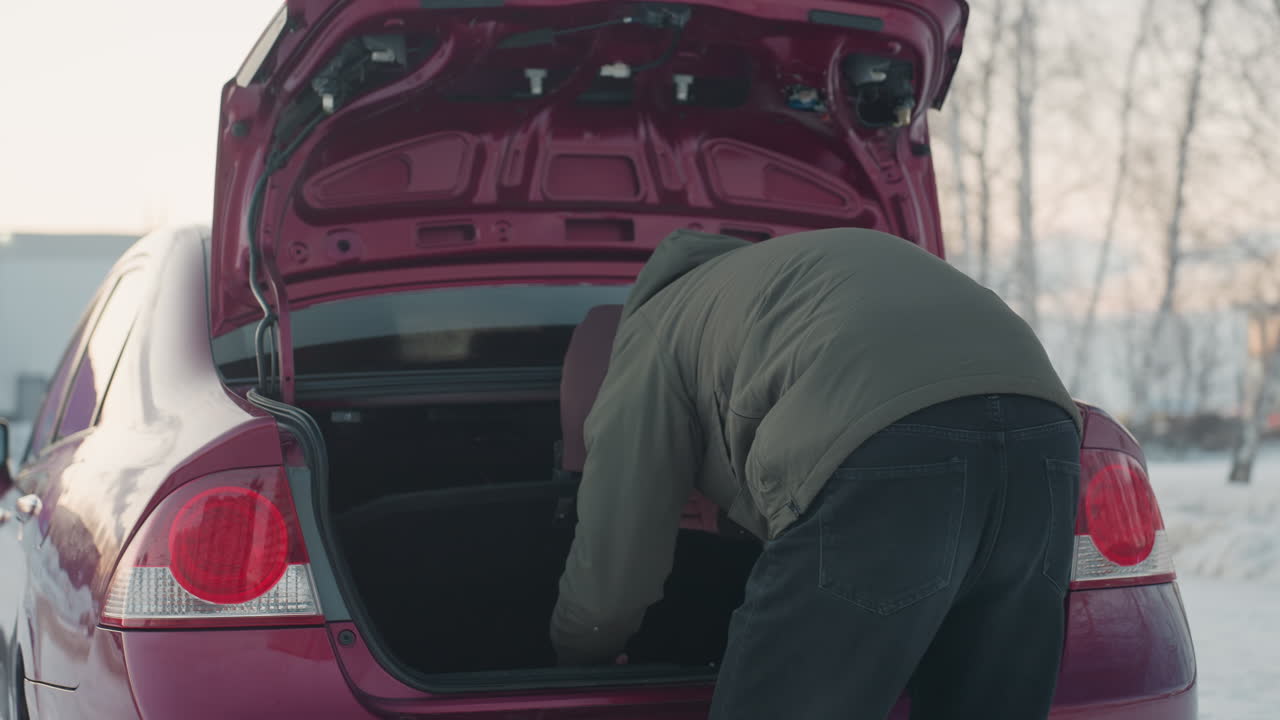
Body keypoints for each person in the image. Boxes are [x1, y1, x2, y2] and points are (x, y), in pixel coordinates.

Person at [550, 227, 1082, 719]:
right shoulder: (778, 284)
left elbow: (621, 539)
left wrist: (582, 651)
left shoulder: (651, 331)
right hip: (1045, 426)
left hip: (886, 443)